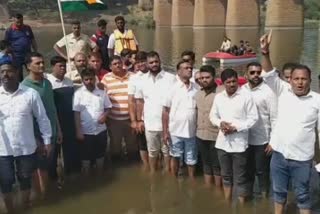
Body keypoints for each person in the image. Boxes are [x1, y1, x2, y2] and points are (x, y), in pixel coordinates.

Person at [261, 32, 320, 214]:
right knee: (278, 193)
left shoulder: (317, 100)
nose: (300, 82)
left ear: (310, 80)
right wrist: (264, 52)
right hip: (279, 156)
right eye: (296, 79)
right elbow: (269, 74)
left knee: (303, 197)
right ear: (290, 80)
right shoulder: (283, 91)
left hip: (302, 159)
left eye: (304, 79)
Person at [0, 61, 52, 213]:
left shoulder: (30, 94)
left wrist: (47, 140)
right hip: (3, 150)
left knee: (25, 179)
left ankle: (25, 207)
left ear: (16, 72)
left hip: (26, 147)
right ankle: (10, 210)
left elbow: (42, 118)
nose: (5, 75)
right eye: (2, 72)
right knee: (6, 181)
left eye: (8, 71)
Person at [209, 68, 258, 203]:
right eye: (228, 82)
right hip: (222, 144)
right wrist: (221, 123)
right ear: (223, 83)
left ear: (237, 81)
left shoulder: (246, 96)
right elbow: (212, 116)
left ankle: (241, 206)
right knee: (226, 175)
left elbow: (253, 118)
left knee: (240, 177)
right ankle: (227, 203)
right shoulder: (219, 97)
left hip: (239, 145)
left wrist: (235, 128)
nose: (231, 84)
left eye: (234, 81)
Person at [22, 52, 62, 198]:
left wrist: (58, 130)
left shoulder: (47, 83)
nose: (41, 65)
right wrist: (36, 140)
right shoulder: (24, 88)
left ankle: (50, 193)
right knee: (39, 169)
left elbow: (52, 108)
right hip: (36, 136)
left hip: (52, 132)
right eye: (37, 63)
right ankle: (42, 197)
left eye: (42, 62)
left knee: (50, 165)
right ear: (28, 66)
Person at [135, 51, 175, 174]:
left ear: (160, 61)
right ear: (147, 64)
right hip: (150, 123)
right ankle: (153, 175)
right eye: (151, 62)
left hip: (167, 125)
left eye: (156, 61)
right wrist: (139, 120)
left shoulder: (171, 78)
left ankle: (168, 174)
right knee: (152, 151)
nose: (154, 64)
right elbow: (140, 102)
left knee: (167, 151)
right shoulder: (141, 80)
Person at [242, 61, 277, 198]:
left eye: (258, 72)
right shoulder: (241, 90)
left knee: (262, 172)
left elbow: (275, 118)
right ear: (246, 74)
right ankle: (248, 196)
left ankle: (264, 197)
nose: (256, 75)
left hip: (262, 139)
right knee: (247, 171)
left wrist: (273, 141)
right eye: (252, 72)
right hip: (244, 139)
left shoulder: (269, 92)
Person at [162, 61, 198, 181]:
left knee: (191, 158)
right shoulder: (172, 88)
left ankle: (192, 181)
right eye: (186, 68)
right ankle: (173, 180)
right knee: (175, 156)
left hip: (192, 131)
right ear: (178, 71)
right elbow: (165, 111)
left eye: (190, 68)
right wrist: (165, 131)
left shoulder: (196, 88)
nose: (189, 70)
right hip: (175, 130)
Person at [46, 56, 80, 177]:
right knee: (53, 155)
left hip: (69, 121)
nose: (62, 68)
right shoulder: (47, 81)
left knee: (70, 152)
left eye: (64, 66)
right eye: (60, 66)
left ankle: (71, 177)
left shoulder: (69, 81)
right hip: (54, 123)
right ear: (52, 67)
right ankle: (52, 180)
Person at [73, 68, 112, 175]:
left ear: (95, 79)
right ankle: (87, 179)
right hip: (86, 132)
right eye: (86, 79)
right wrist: (78, 131)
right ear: (82, 80)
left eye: (91, 79)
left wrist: (104, 116)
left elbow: (108, 107)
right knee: (86, 159)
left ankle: (100, 176)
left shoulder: (102, 92)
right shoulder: (78, 94)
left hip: (101, 131)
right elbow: (76, 113)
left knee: (100, 156)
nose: (89, 82)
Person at [101, 56, 138, 161]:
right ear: (110, 67)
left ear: (122, 63)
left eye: (119, 63)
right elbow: (102, 97)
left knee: (132, 147)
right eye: (114, 64)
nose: (117, 65)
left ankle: (133, 168)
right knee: (115, 147)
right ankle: (117, 168)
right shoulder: (106, 78)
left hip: (131, 119)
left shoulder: (133, 76)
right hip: (114, 120)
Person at [195, 65, 222, 188]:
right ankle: (208, 190)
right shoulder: (198, 94)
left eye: (207, 77)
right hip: (200, 134)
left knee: (217, 166)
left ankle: (218, 191)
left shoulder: (221, 92)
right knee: (206, 164)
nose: (204, 80)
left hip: (216, 135)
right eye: (201, 78)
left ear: (214, 77)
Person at [128, 51, 149, 170]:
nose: (141, 64)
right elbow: (131, 100)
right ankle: (146, 167)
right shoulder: (134, 78)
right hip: (140, 117)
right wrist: (134, 120)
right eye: (138, 62)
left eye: (143, 61)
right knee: (143, 144)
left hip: (156, 116)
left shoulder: (156, 75)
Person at [5, 13, 37, 82]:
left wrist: (35, 52)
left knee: (33, 72)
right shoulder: (9, 30)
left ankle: (33, 86)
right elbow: (6, 44)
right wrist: (9, 55)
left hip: (28, 54)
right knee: (19, 76)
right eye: (17, 22)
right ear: (14, 20)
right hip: (16, 56)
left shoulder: (27, 28)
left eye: (21, 22)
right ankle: (21, 88)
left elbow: (32, 40)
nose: (19, 24)